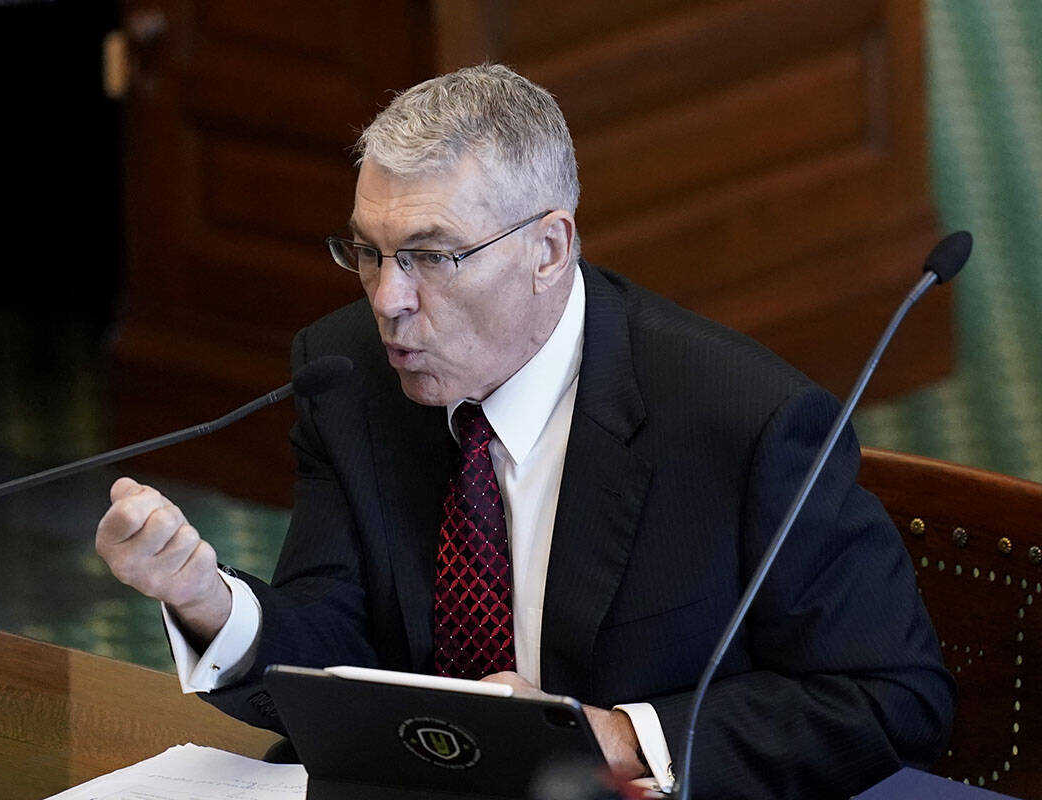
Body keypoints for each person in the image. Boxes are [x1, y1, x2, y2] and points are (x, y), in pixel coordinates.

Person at [96, 64, 955, 798]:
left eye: (432, 256)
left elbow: (893, 696)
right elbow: (336, 649)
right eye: (367, 251)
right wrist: (208, 601)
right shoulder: (348, 371)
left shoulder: (743, 421)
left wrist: (618, 734)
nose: (388, 300)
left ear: (549, 250)